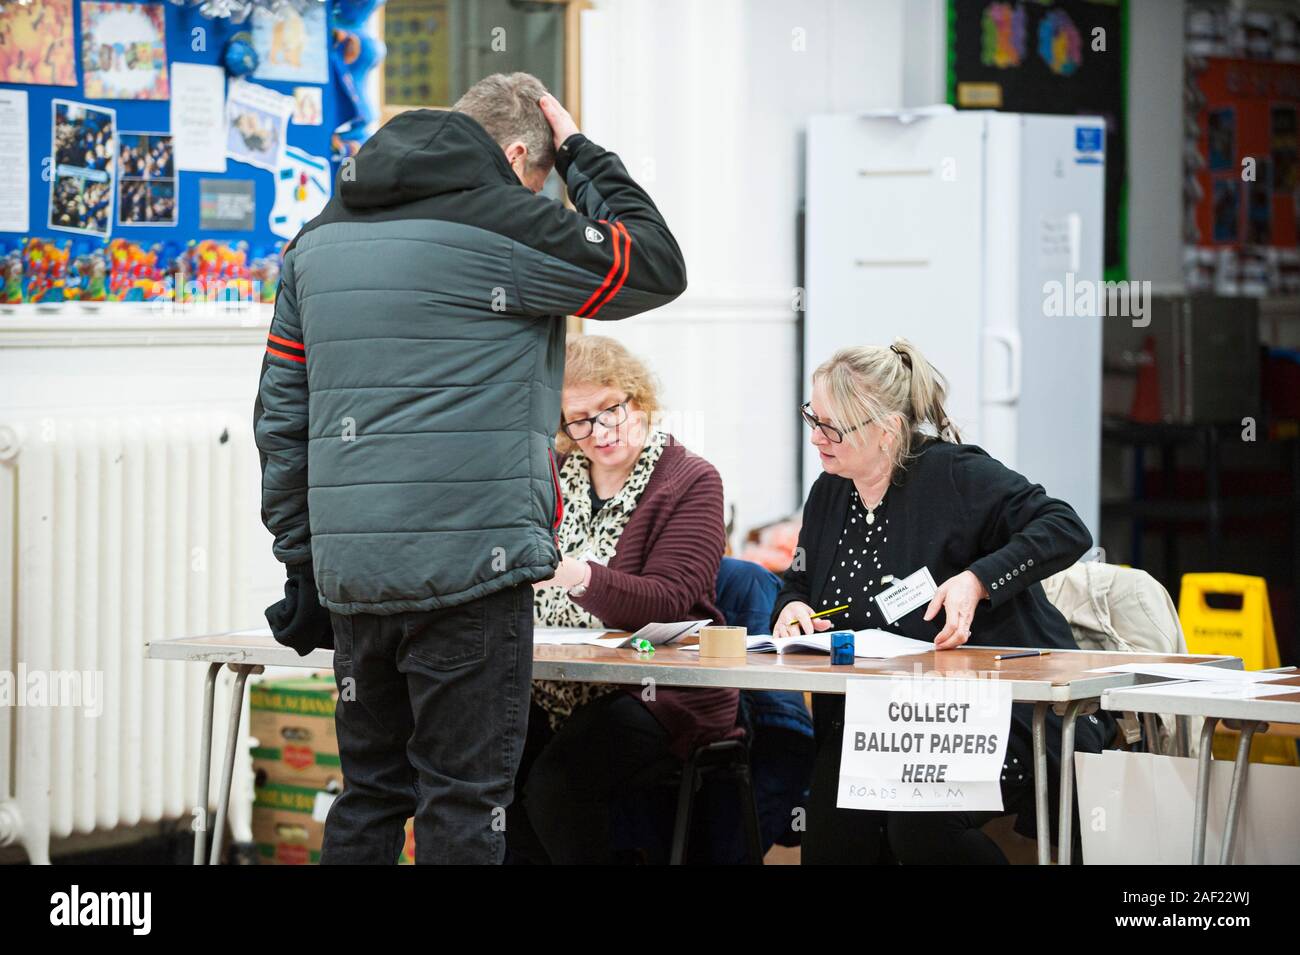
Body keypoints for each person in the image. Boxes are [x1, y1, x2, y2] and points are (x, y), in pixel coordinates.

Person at [254, 72, 687, 864]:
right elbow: (654, 261)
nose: (542, 193)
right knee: (463, 802)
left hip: (355, 581)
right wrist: (583, 154)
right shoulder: (511, 226)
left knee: (369, 794)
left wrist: (303, 567)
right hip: (471, 576)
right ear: (522, 153)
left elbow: (281, 424)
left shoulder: (314, 242)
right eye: (542, 175)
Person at [772, 338, 1110, 864]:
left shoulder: (954, 475)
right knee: (832, 836)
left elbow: (1066, 528)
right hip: (877, 725)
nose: (816, 436)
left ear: (885, 431)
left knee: (919, 827)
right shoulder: (830, 492)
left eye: (831, 427)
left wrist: (978, 580)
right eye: (811, 417)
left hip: (993, 713)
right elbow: (799, 582)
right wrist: (791, 608)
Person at [506, 334, 739, 864]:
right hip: (553, 681)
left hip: (662, 686)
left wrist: (575, 575)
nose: (598, 431)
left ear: (639, 400)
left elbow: (670, 601)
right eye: (578, 420)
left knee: (556, 788)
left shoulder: (690, 480)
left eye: (610, 410)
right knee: (488, 777)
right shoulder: (549, 480)